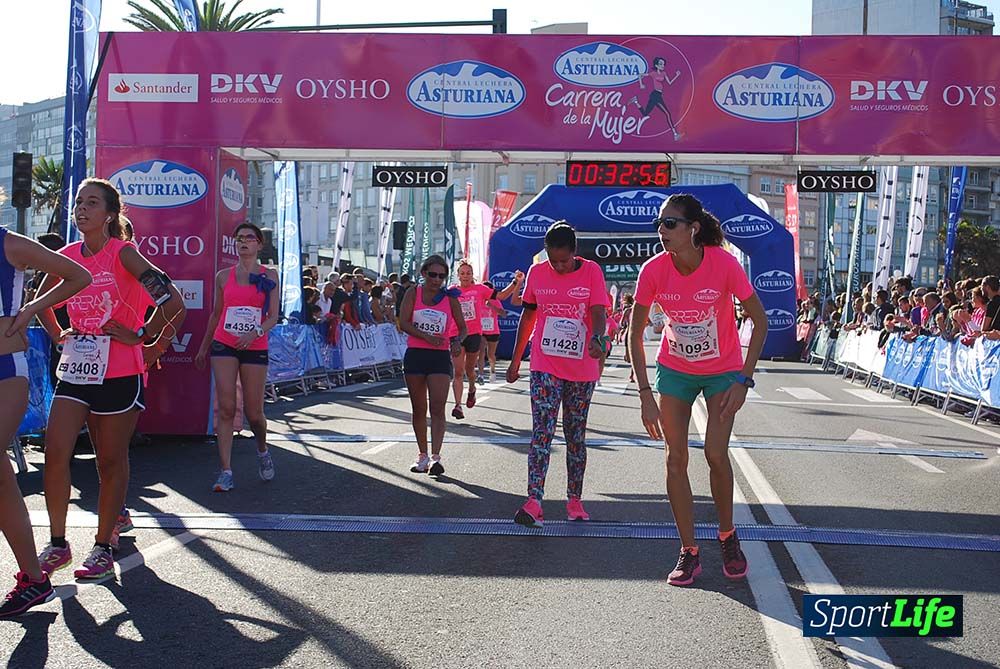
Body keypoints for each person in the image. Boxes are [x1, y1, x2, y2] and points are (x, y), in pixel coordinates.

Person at [34, 178, 187, 581]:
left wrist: (145, 338)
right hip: (76, 369)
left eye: (92, 203)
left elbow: (174, 302)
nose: (82, 209)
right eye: (78, 202)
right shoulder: (66, 256)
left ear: (110, 214)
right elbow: (40, 302)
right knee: (55, 450)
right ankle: (57, 543)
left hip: (119, 371)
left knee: (110, 460)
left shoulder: (125, 255)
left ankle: (103, 546)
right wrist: (57, 333)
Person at [628, 193, 768, 587]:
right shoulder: (653, 270)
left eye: (670, 224)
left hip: (722, 370)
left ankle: (727, 536)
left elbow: (759, 321)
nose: (662, 231)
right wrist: (644, 395)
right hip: (675, 370)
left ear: (693, 230)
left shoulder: (723, 264)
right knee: (675, 458)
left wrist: (743, 379)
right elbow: (634, 334)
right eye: (659, 224)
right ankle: (688, 550)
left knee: (715, 453)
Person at [0, 228, 90, 617]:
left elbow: (78, 275)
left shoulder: (9, 243)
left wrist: (32, 310)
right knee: (2, 479)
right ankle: (35, 580)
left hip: (6, 371)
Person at [507, 222, 610, 527]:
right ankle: (534, 500)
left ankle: (574, 499)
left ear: (574, 252)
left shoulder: (591, 271)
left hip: (581, 366)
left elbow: (598, 312)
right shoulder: (538, 273)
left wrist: (598, 339)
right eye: (554, 260)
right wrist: (516, 361)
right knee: (542, 431)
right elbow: (529, 315)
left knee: (575, 435)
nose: (560, 267)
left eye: (564, 261)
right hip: (544, 363)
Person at [195, 223, 280, 493]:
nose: (243, 242)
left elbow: (274, 316)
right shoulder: (223, 276)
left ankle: (263, 449)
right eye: (239, 238)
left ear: (259, 244)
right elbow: (216, 314)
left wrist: (254, 332)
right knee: (227, 406)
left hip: (255, 345)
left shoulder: (270, 275)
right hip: (224, 343)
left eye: (249, 238)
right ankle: (226, 471)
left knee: (254, 413)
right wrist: (203, 346)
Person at [398, 255, 467, 476]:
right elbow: (404, 323)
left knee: (438, 407)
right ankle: (422, 455)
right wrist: (426, 336)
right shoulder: (413, 293)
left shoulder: (450, 298)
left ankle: (436, 458)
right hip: (416, 355)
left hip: (439, 357)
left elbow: (463, 328)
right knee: (419, 408)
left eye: (441, 276)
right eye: (432, 275)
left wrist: (456, 341)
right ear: (423, 273)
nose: (437, 280)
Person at [449, 260, 523, 419]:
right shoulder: (452, 291)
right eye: (462, 273)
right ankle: (457, 405)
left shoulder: (480, 289)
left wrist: (515, 281)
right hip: (455, 334)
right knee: (458, 371)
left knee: (470, 370)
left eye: (468, 273)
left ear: (472, 274)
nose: (465, 276)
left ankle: (472, 389)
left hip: (474, 334)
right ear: (458, 275)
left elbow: (502, 295)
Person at [629, 56, 682, 140]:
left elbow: (670, 83)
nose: (662, 65)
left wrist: (676, 75)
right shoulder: (653, 73)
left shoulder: (664, 73)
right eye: (660, 64)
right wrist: (641, 84)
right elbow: (640, 75)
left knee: (645, 114)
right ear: (656, 65)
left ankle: (636, 101)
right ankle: (675, 134)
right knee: (667, 113)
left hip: (657, 95)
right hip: (655, 95)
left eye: (663, 64)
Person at [476, 280, 506, 384]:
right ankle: (480, 375)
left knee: (491, 355)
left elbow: (503, 314)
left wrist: (491, 306)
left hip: (493, 331)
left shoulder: (495, 300)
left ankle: (492, 371)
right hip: (481, 330)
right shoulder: (478, 300)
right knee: (481, 351)